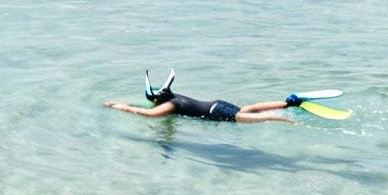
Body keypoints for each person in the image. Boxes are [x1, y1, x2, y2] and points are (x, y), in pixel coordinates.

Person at [102, 70, 297, 124]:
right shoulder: (174, 97)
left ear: (155, 100)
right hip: (217, 104)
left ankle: (279, 118)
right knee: (247, 109)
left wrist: (118, 106)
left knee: (244, 118)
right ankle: (288, 103)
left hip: (215, 113)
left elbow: (147, 114)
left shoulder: (170, 105)